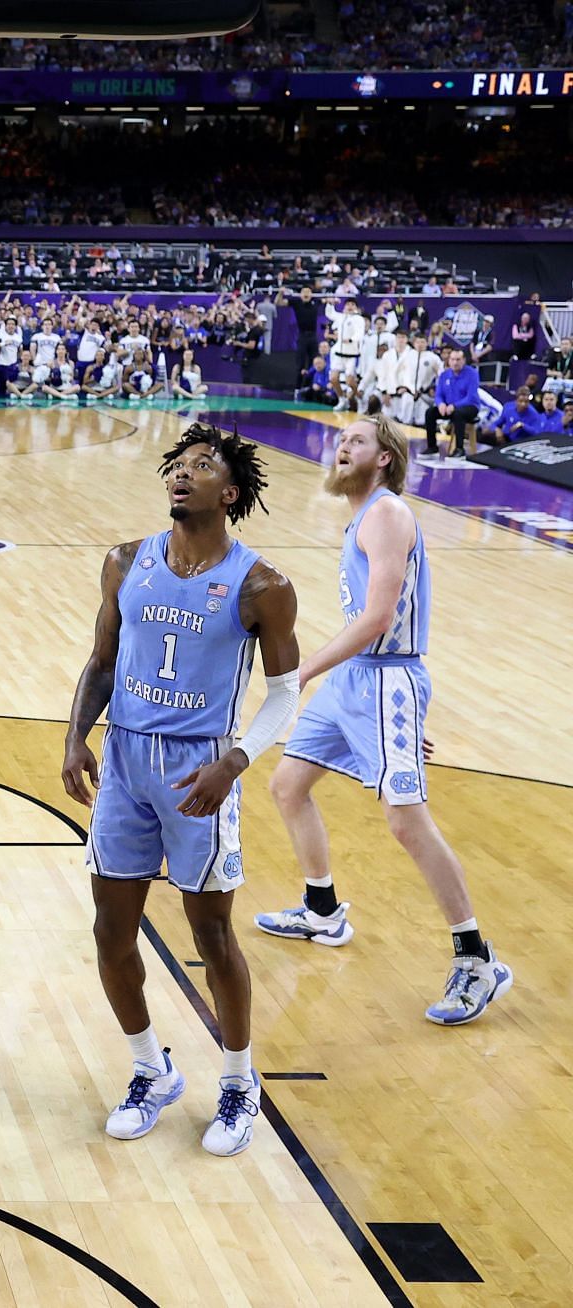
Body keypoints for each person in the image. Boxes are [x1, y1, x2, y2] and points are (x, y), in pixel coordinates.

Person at [62, 424, 301, 1157]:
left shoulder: (263, 586)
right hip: (127, 761)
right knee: (110, 927)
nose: (181, 474)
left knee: (212, 934)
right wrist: (76, 735)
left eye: (200, 467)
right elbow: (101, 661)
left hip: (200, 768)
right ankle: (149, 1070)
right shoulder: (125, 561)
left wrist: (235, 761)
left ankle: (237, 1080)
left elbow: (287, 693)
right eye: (178, 465)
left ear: (228, 494)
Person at [255, 417, 513, 1026]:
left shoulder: (389, 513)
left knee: (405, 822)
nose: (343, 446)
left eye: (358, 441)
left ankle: (477, 959)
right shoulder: (364, 514)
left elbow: (378, 618)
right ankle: (323, 909)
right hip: (358, 683)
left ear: (385, 459)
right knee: (288, 786)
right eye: (340, 439)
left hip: (383, 677)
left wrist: (304, 669)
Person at [423, 347, 480, 458]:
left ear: (463, 360)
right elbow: (438, 394)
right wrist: (441, 404)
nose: (455, 362)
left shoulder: (472, 374)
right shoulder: (444, 375)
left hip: (470, 406)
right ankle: (432, 446)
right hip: (448, 407)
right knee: (430, 412)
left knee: (458, 413)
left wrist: (454, 406)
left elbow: (471, 396)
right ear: (449, 361)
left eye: (458, 359)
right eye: (453, 359)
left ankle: (459, 448)